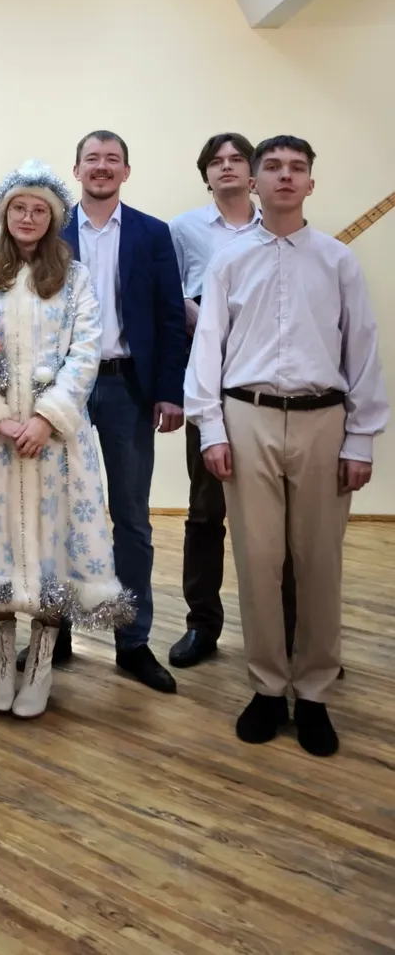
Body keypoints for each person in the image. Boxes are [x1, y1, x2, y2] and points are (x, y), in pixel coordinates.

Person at [185, 136, 387, 756]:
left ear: (310, 184)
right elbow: (208, 348)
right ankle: (268, 686)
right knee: (258, 560)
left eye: (297, 168)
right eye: (272, 167)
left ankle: (316, 690)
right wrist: (212, 429)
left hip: (324, 422)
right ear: (255, 181)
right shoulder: (228, 261)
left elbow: (362, 348)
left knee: (320, 562)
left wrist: (361, 438)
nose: (285, 176)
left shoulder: (337, 261)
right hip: (247, 418)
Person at [0, 161, 133, 719]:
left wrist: (47, 418)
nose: (27, 217)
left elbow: (86, 352)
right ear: (4, 215)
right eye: (18, 208)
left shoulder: (75, 278)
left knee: (53, 553)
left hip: (55, 441)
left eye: (38, 210)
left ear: (53, 219)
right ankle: (2, 665)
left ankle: (41, 667)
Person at [25, 131, 186, 692]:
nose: (101, 166)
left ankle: (132, 641)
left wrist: (170, 390)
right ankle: (55, 631)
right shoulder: (50, 230)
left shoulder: (152, 233)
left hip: (126, 387)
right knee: (58, 512)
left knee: (132, 518)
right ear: (76, 169)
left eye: (111, 159)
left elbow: (170, 317)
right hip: (61, 389)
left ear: (126, 171)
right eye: (91, 158)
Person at [168, 133, 272, 668]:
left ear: (253, 173)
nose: (226, 166)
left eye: (237, 159)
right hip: (208, 379)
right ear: (205, 175)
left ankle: (284, 633)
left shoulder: (277, 226)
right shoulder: (183, 229)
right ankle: (202, 625)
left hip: (268, 385)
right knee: (206, 511)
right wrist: (193, 312)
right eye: (216, 161)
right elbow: (167, 296)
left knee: (276, 519)